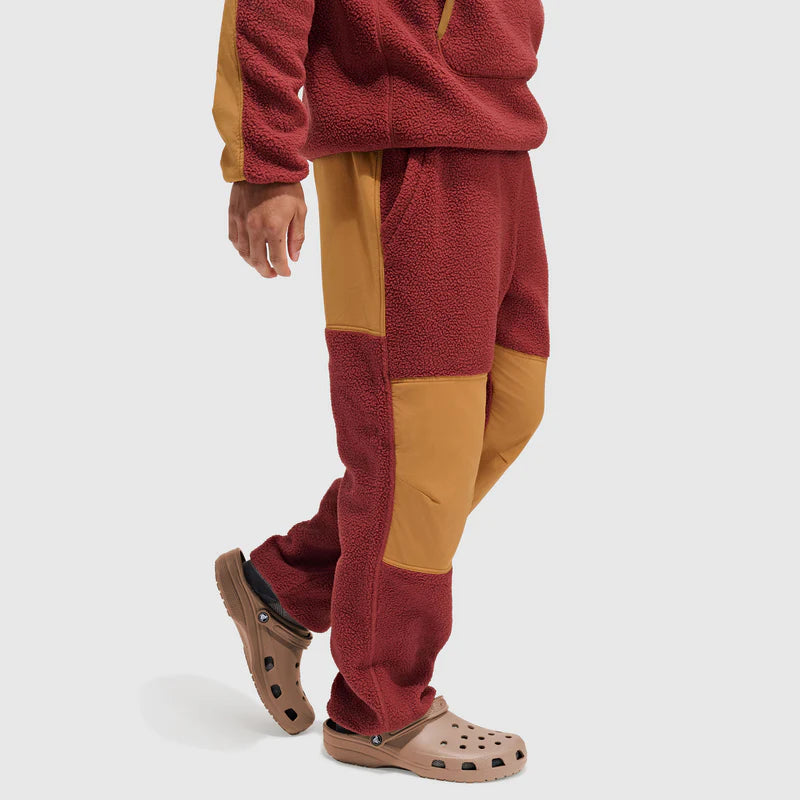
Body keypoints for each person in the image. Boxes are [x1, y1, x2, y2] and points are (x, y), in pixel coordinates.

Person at [212, 0, 550, 782]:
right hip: (399, 143)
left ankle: (287, 587)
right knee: (418, 450)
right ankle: (380, 707)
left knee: (507, 409)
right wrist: (264, 163)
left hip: (498, 136)